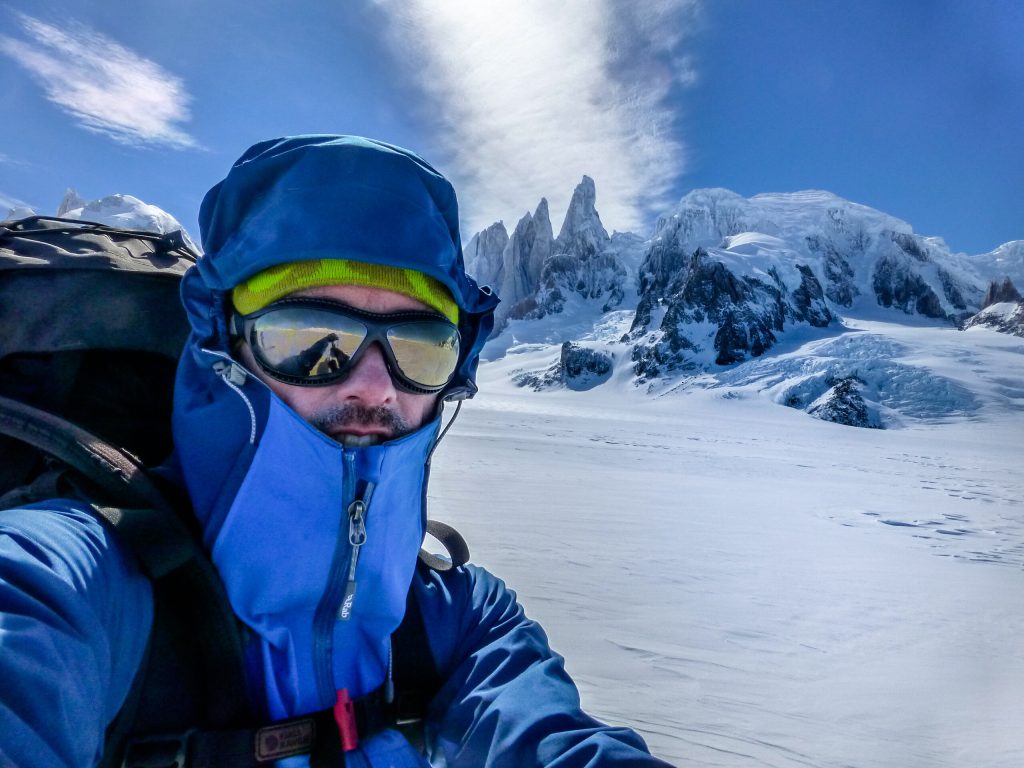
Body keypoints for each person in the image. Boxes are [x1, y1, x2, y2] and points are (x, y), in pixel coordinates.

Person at [0, 135, 672, 767]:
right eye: (309, 339)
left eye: (419, 347)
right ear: (222, 352)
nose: (376, 386)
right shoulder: (71, 583)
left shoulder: (455, 616)